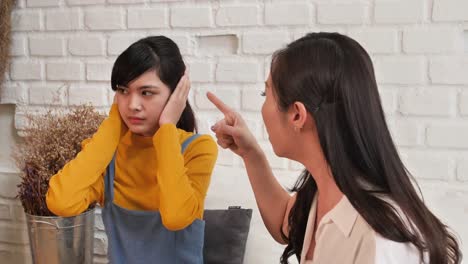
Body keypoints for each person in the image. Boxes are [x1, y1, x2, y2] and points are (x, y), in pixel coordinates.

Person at [207, 32, 461, 264]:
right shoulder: (328, 189)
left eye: (266, 95)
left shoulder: (379, 240)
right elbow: (286, 221)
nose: (262, 109)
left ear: (297, 115)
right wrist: (250, 154)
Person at [46, 36, 218, 264]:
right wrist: (114, 122)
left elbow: (176, 217)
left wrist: (167, 128)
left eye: (146, 92)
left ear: (177, 94)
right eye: (123, 91)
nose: (132, 105)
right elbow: (61, 202)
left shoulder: (197, 149)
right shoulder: (107, 153)